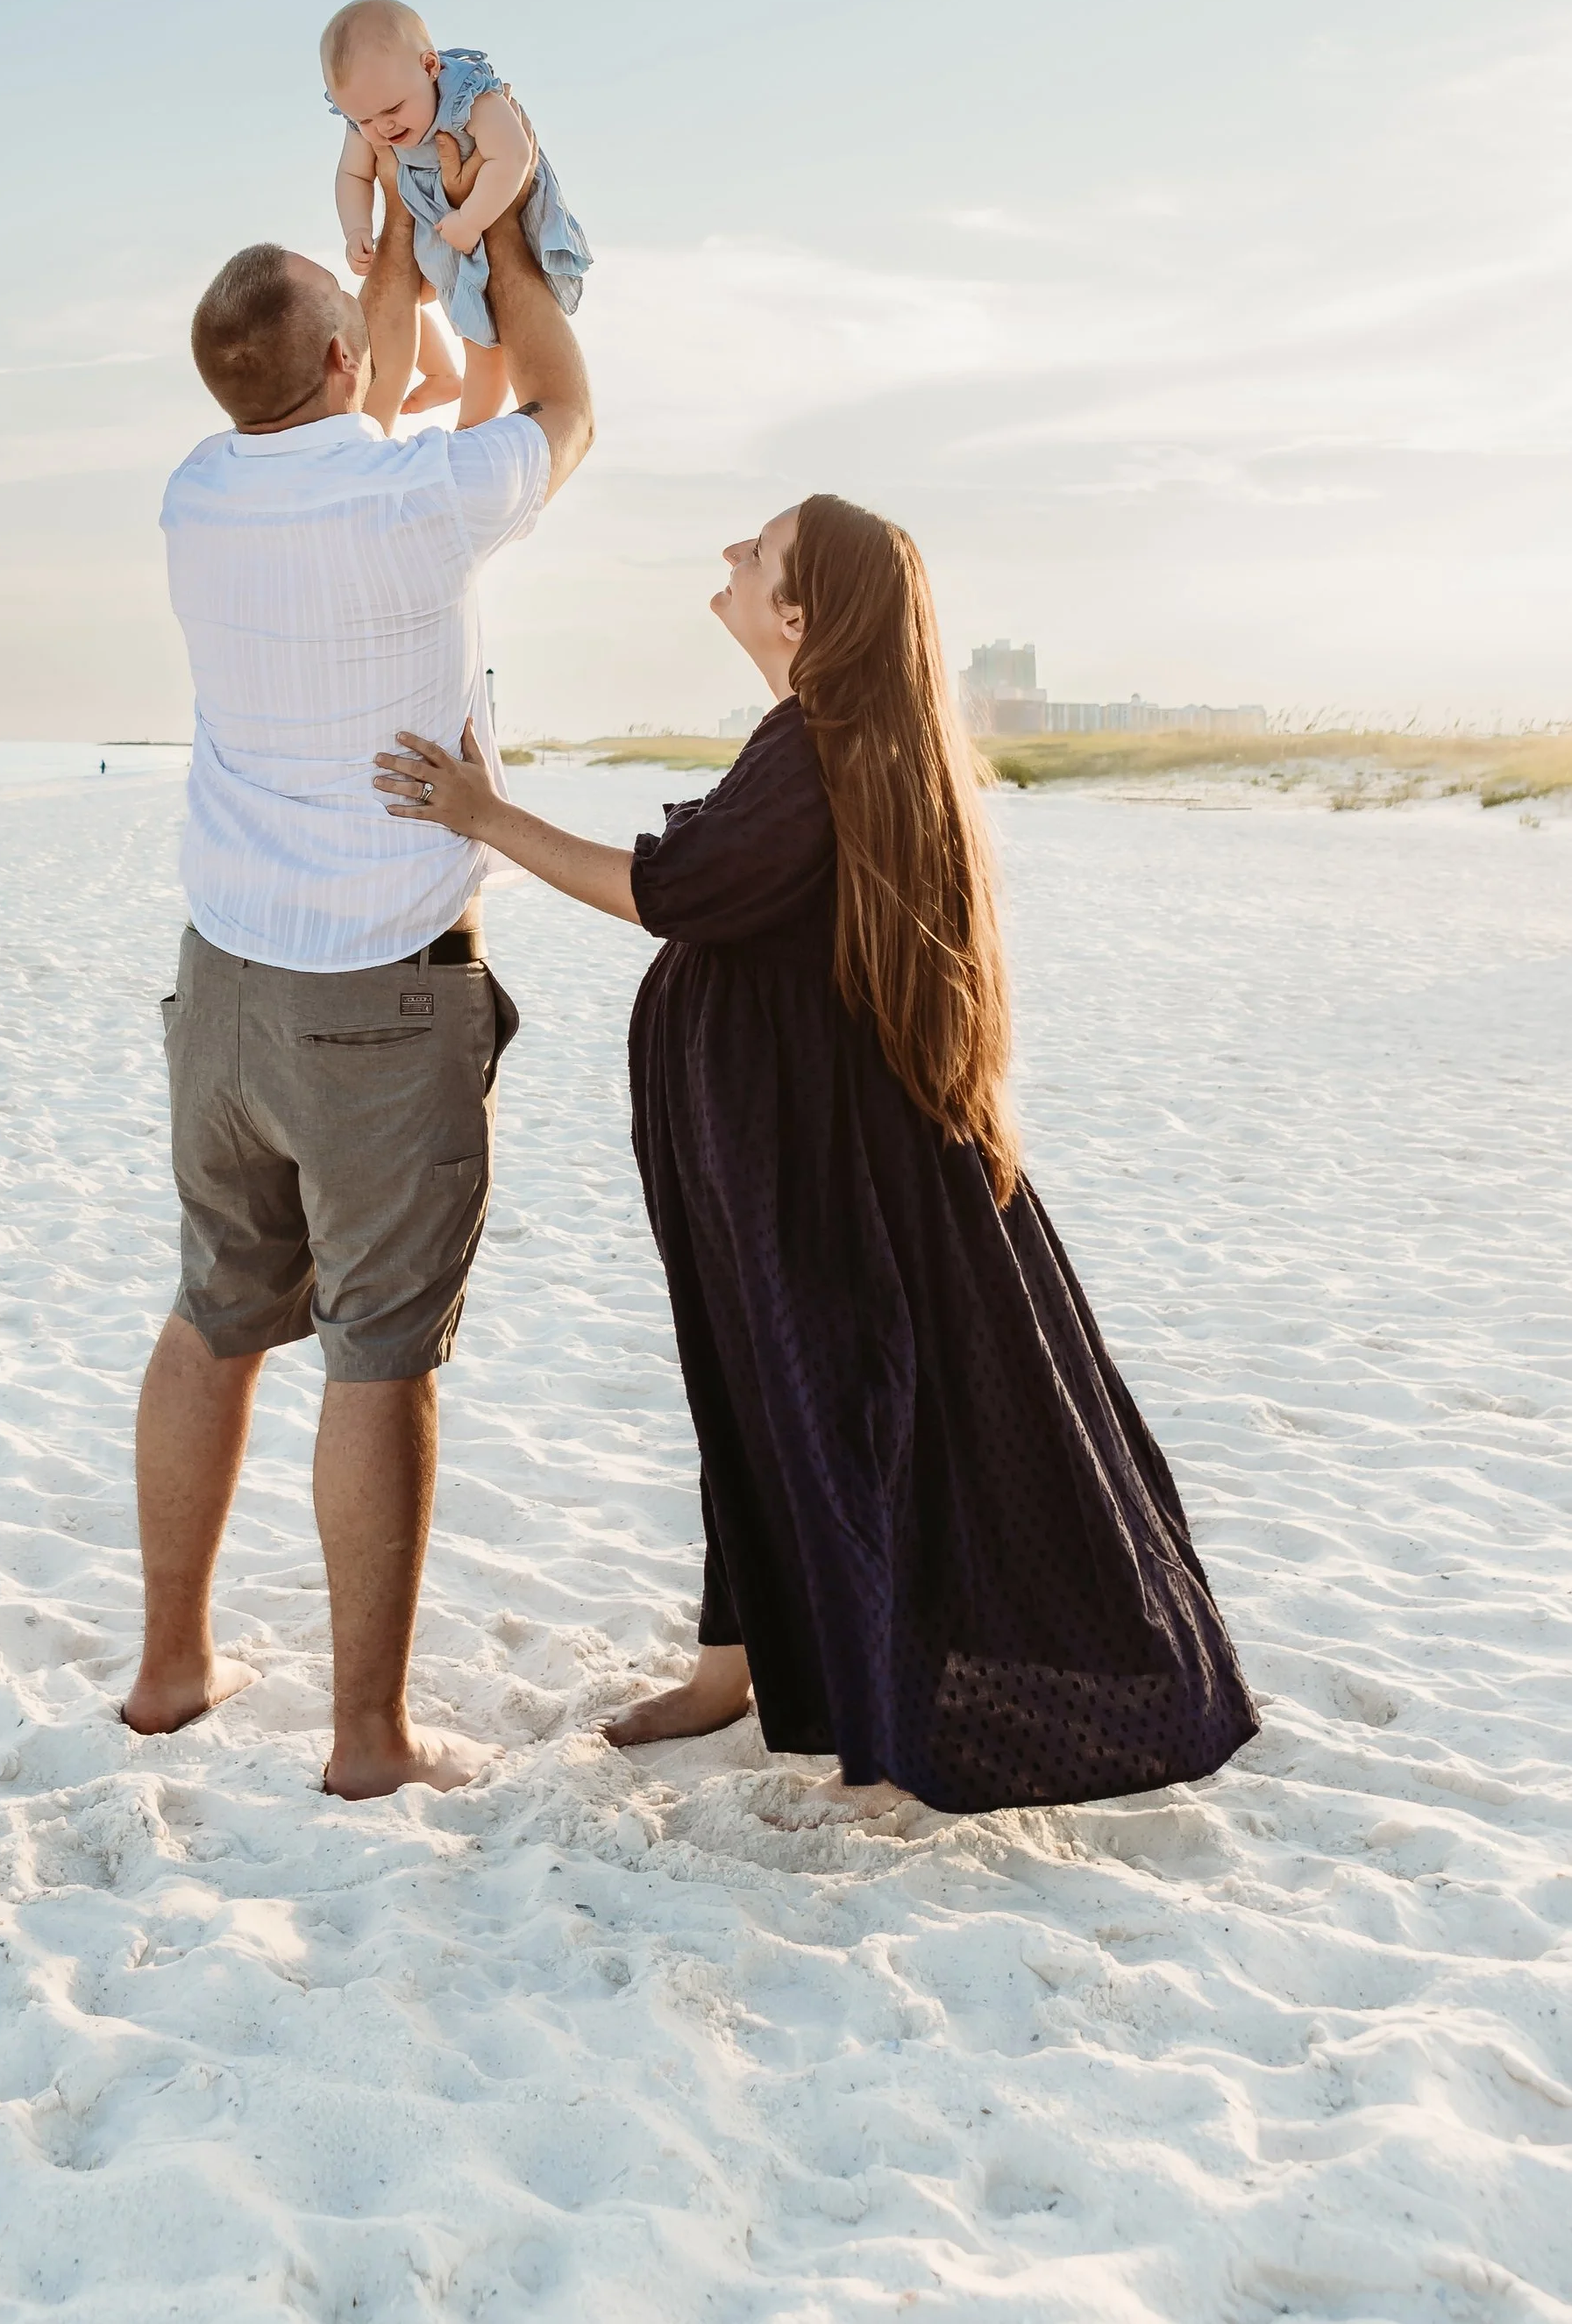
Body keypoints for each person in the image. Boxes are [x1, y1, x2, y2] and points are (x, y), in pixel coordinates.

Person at [374, 495, 1259, 1817]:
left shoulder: (824, 747)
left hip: (812, 1159)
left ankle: (878, 1702)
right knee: (747, 1385)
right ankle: (733, 1663)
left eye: (760, 551)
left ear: (800, 611)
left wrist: (485, 817)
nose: (729, 554)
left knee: (844, 1407)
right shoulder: (821, 735)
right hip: (771, 1145)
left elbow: (661, 891)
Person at [124, 160, 594, 1799]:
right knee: (377, 1353)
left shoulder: (200, 485)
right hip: (379, 998)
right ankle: (368, 1736)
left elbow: (366, 390)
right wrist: (502, 240)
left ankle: (172, 1664)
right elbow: (566, 407)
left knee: (213, 1316)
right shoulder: (415, 501)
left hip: (227, 984)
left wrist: (379, 268)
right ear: (336, 364)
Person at [323, 0, 591, 431]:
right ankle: (441, 375)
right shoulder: (369, 112)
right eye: (365, 120)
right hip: (436, 221)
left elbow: (514, 155)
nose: (382, 129)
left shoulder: (466, 96)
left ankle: (472, 432)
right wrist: (355, 228)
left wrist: (473, 221)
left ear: (430, 67)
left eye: (393, 110)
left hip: (494, 207)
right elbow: (353, 174)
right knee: (379, 306)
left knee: (485, 336)